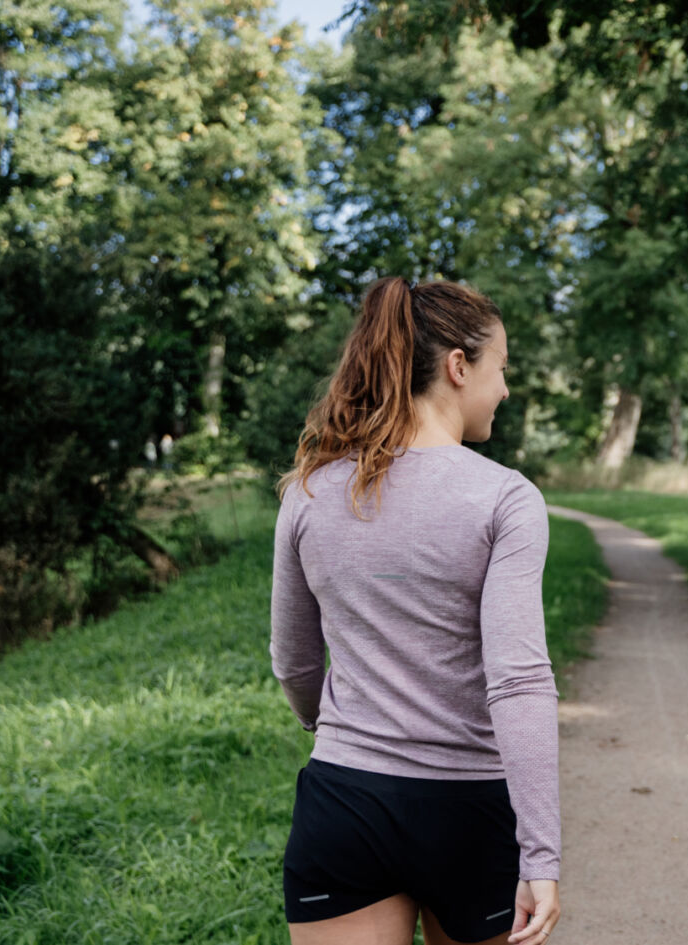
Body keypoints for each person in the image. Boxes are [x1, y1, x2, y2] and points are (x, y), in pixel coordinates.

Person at [270, 277, 561, 945]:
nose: (506, 389)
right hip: (470, 810)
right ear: (459, 367)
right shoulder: (505, 499)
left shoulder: (308, 491)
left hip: (345, 799)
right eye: (501, 369)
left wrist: (347, 731)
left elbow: (293, 659)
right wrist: (540, 854)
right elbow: (517, 680)